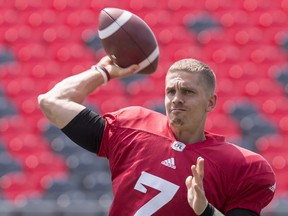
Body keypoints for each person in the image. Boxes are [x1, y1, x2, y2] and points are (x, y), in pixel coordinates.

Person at [38, 56, 276, 216]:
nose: (177, 98)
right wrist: (102, 72)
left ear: (211, 102)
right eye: (170, 91)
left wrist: (206, 211)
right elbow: (51, 101)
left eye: (188, 91)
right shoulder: (133, 129)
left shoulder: (241, 166)